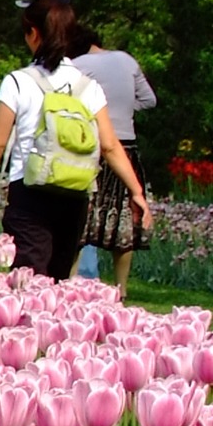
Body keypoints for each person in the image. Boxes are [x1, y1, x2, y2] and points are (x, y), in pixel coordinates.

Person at [0, 0, 150, 281]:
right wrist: (136, 192)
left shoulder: (18, 81)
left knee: (28, 278)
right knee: (58, 280)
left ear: (34, 33)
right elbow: (111, 146)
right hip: (74, 193)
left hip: (29, 192)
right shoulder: (88, 86)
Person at [70, 24, 158, 292]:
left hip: (92, 148)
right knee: (123, 223)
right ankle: (121, 289)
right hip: (127, 147)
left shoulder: (75, 65)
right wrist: (122, 108)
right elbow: (149, 100)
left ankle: (68, 284)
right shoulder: (126, 60)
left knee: (80, 221)